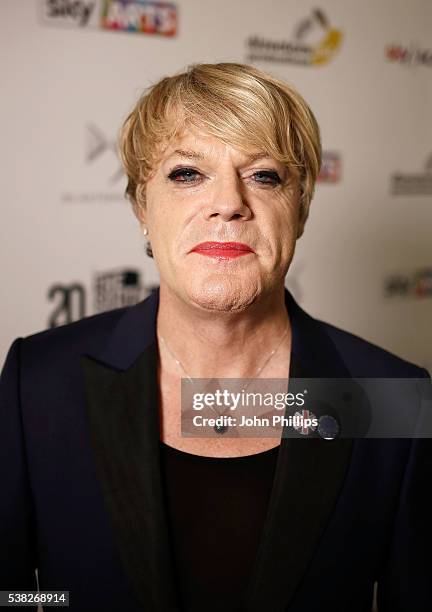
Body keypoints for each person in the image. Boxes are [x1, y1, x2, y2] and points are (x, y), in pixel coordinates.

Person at [0, 62, 430, 612]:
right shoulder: (40, 382)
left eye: (264, 175)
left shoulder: (389, 396)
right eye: (187, 173)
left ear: (298, 211)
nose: (229, 202)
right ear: (140, 207)